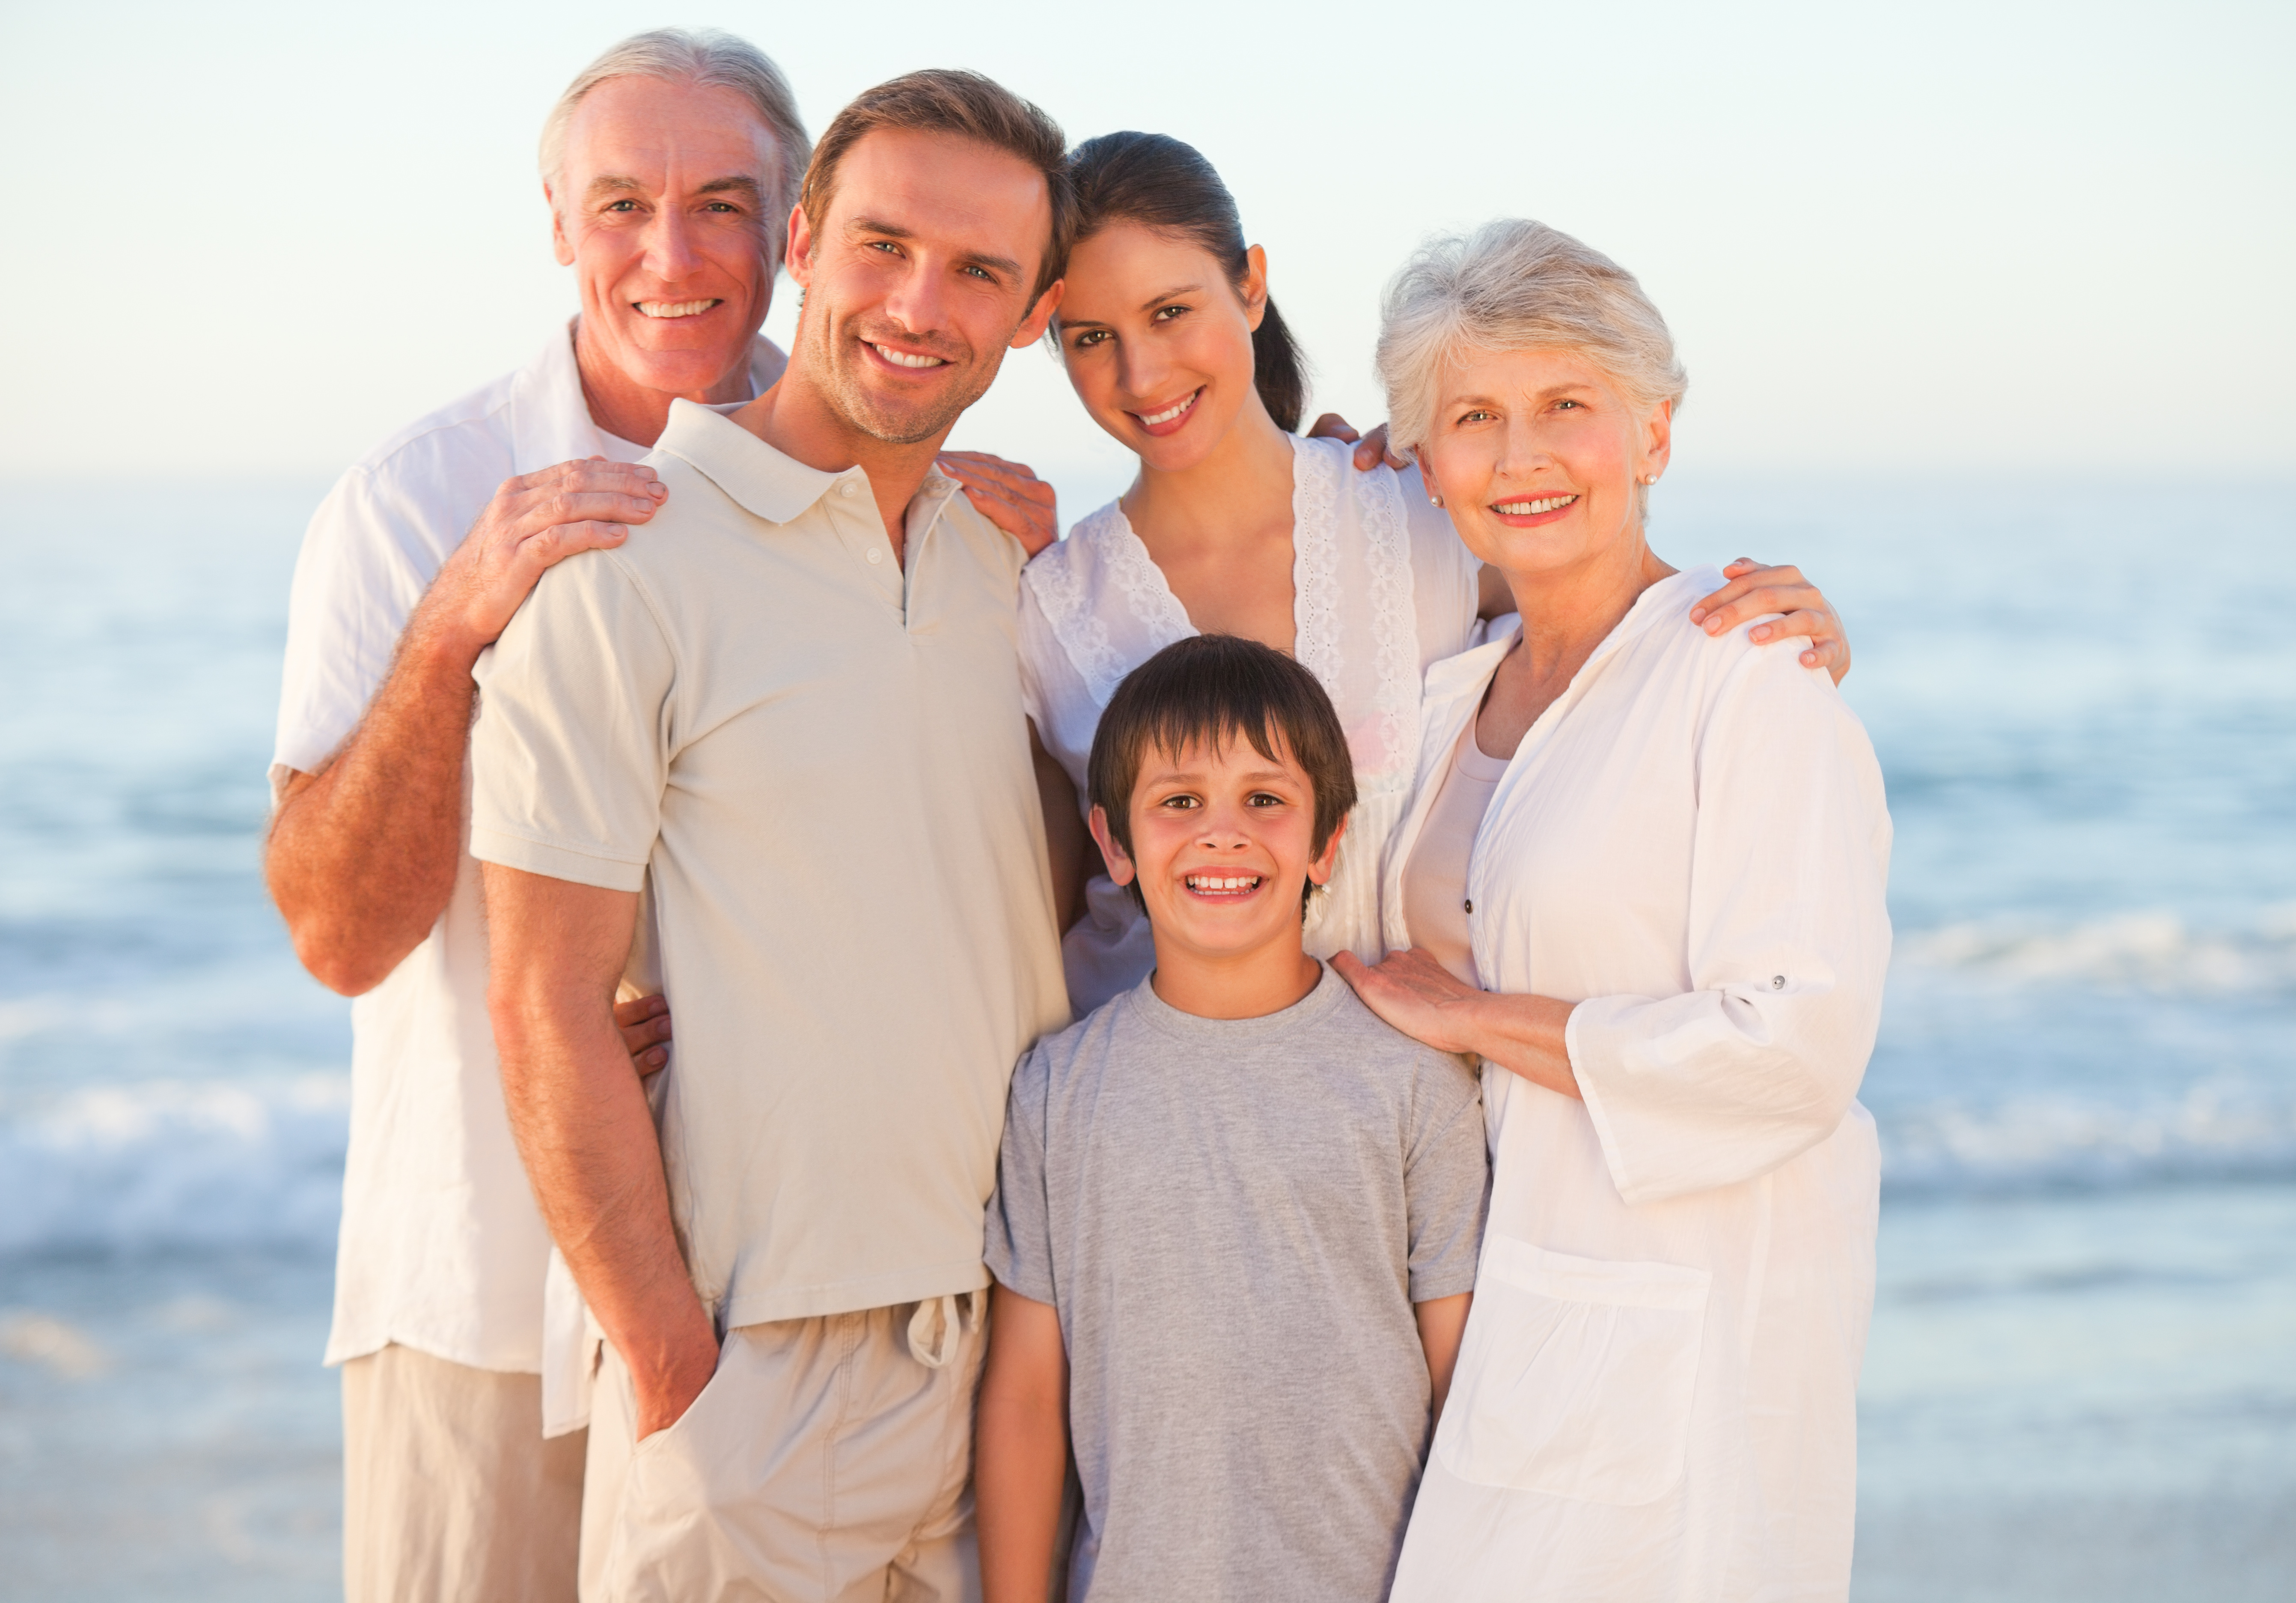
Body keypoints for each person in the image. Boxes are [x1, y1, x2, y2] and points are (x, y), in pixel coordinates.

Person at [470, 70, 1080, 1601]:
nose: (918, 302)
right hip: (757, 1374)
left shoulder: (1004, 569)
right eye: (881, 244)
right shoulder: (627, 567)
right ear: (804, 237)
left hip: (1020, 1343)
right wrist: (680, 1375)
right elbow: (541, 1003)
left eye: (979, 272)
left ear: (1030, 312)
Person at [262, 30, 811, 1603]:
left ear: (792, 227)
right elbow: (338, 936)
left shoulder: (866, 486)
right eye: (623, 203)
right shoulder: (416, 498)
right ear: (557, 223)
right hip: (484, 1298)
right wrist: (451, 633)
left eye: (723, 202)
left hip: (781, 1297)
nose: (672, 252)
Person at [978, 132, 1856, 1018]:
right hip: (1169, 1121)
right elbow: (1040, 917)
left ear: (1250, 286)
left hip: (1419, 1118)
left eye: (1171, 312)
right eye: (1091, 337)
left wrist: (1766, 639)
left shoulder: (1414, 511)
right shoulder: (1046, 612)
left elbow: (1620, 625)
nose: (1142, 371)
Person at [1333, 220, 1892, 1601]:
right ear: (1425, 458)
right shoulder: (1452, 685)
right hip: (1483, 1324)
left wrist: (1473, 1014)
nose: (1519, 457)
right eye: (1472, 417)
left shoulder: (1744, 671)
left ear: (1650, 433)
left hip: (1682, 1325)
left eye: (1563, 407)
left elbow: (1795, 1045)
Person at [977, 634, 1489, 1603]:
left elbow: (1460, 1380)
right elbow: (1027, 1398)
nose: (1222, 835)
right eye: (1179, 803)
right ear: (1115, 845)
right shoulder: (1058, 1090)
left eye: (1265, 800)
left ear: (1325, 841)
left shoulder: (1414, 1083)